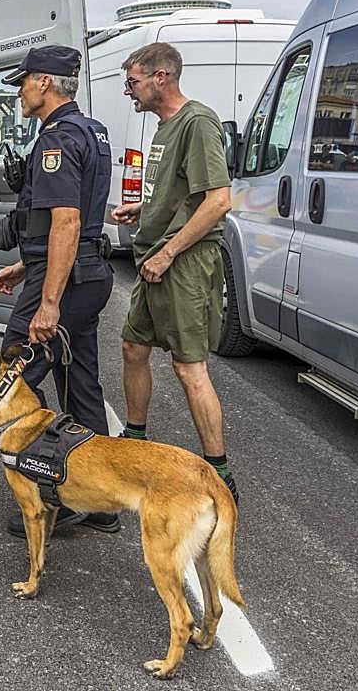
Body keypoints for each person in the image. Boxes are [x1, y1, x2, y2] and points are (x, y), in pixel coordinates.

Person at [0, 45, 117, 538]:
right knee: (79, 382)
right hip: (84, 275)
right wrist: (28, 264)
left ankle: (54, 494)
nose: (21, 91)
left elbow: (65, 220)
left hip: (64, 285)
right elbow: (74, 226)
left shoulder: (58, 141)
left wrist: (47, 301)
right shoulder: (92, 131)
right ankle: (102, 498)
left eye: (24, 82)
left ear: (44, 83)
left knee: (14, 375)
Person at [109, 42, 238, 502]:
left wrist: (167, 254)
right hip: (153, 258)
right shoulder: (163, 128)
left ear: (161, 77)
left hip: (180, 262)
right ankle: (136, 439)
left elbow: (218, 200)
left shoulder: (197, 123)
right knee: (132, 346)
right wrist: (143, 208)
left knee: (189, 368)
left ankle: (220, 475)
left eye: (133, 82)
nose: (129, 91)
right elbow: (182, 193)